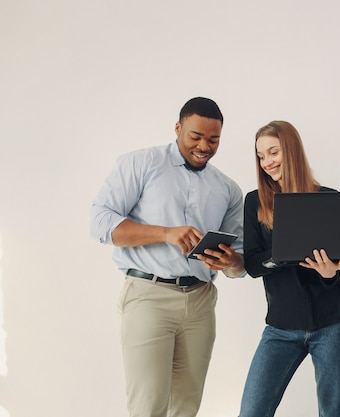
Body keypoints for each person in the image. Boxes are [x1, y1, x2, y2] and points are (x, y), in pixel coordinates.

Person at [89, 97, 246, 417]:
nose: (204, 146)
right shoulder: (140, 164)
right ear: (178, 128)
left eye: (213, 139)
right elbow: (100, 223)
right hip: (149, 296)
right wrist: (165, 233)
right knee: (148, 406)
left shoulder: (228, 189)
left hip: (201, 301)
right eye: (195, 136)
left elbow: (240, 261)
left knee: (186, 407)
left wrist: (229, 262)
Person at [239, 120, 340, 417]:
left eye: (273, 152)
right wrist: (282, 253)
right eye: (261, 156)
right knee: (252, 411)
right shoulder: (255, 202)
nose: (267, 162)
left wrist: (330, 274)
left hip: (332, 325)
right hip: (281, 327)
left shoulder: (328, 199)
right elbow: (252, 264)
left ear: (291, 151)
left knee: (332, 412)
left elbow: (337, 261)